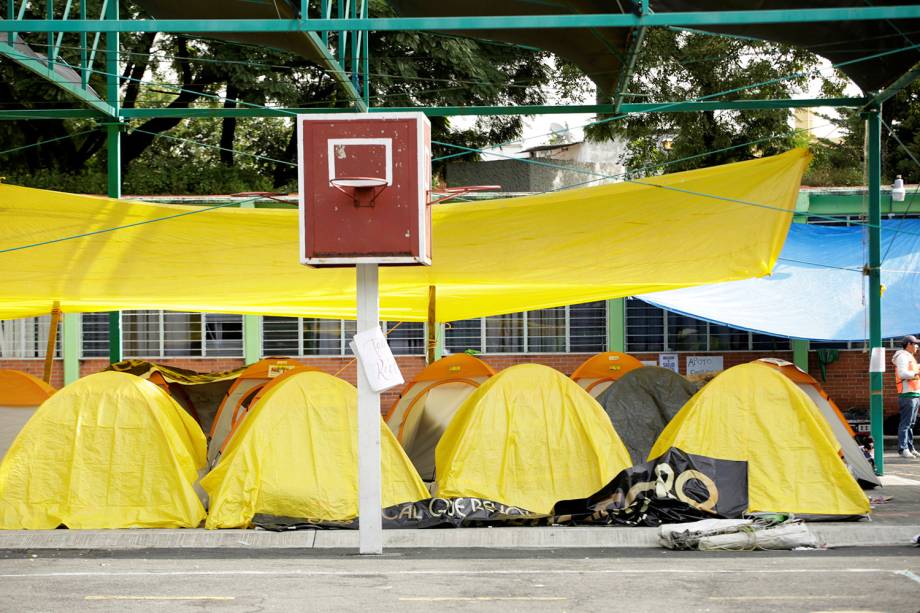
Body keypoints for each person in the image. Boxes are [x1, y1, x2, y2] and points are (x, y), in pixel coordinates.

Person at [891, 335, 920, 459]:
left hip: (914, 394)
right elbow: (902, 373)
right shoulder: (902, 356)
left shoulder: (909, 357)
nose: (917, 346)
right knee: (906, 424)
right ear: (909, 344)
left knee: (911, 424)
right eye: (915, 344)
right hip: (907, 394)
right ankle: (903, 449)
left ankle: (910, 447)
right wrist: (917, 372)